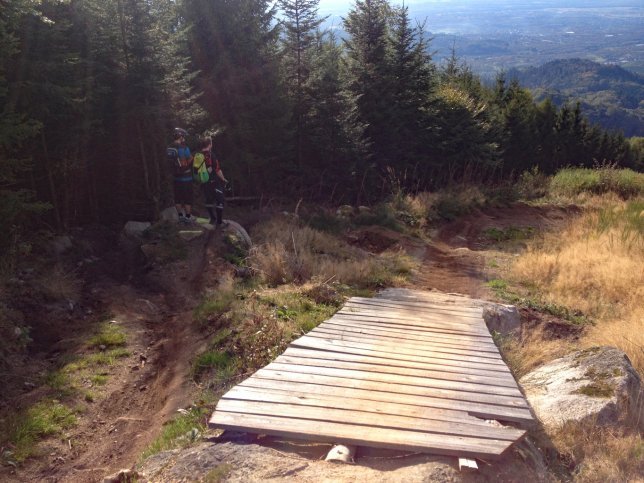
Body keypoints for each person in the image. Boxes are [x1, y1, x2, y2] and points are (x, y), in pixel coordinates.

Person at [199, 135, 228, 227]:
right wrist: (223, 179)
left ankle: (212, 218)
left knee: (209, 200)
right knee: (220, 200)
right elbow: (217, 169)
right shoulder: (211, 155)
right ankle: (219, 223)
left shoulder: (198, 155)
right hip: (213, 181)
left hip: (204, 182)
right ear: (210, 144)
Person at [170, 127, 195, 224]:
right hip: (186, 177)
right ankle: (188, 218)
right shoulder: (184, 148)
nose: (184, 138)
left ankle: (180, 217)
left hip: (176, 177)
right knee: (188, 198)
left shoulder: (169, 147)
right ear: (180, 136)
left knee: (178, 198)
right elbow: (190, 159)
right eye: (183, 136)